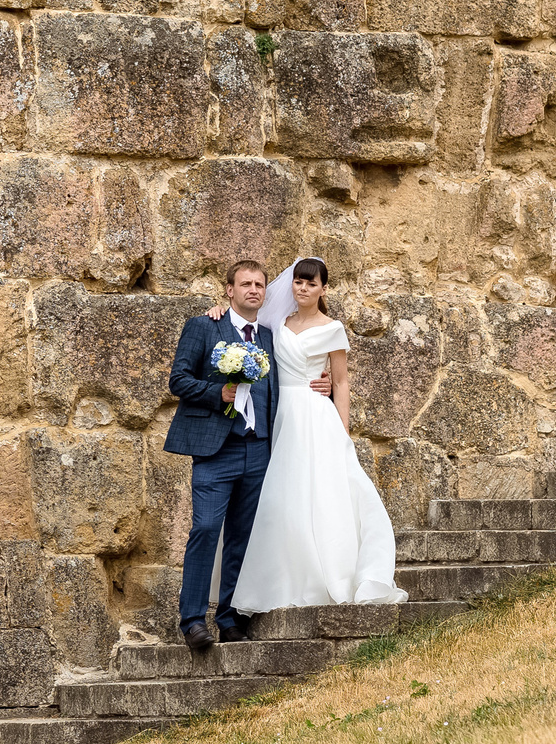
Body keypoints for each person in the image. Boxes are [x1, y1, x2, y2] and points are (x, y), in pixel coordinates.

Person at [203, 256, 407, 617]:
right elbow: (242, 325)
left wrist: (342, 430)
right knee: (280, 496)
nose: (303, 288)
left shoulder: (333, 328)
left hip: (315, 415)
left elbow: (341, 381)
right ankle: (277, 579)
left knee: (323, 493)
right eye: (298, 281)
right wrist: (220, 308)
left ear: (322, 289)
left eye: (311, 283)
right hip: (279, 415)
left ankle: (327, 573)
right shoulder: (274, 323)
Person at [161, 260, 280, 652]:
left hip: (258, 448)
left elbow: (284, 386)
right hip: (216, 449)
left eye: (259, 285)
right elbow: (178, 380)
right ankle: (193, 620)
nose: (253, 290)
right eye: (245, 283)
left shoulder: (269, 337)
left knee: (243, 538)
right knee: (206, 529)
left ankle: (229, 618)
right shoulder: (204, 326)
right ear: (228, 290)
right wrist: (219, 394)